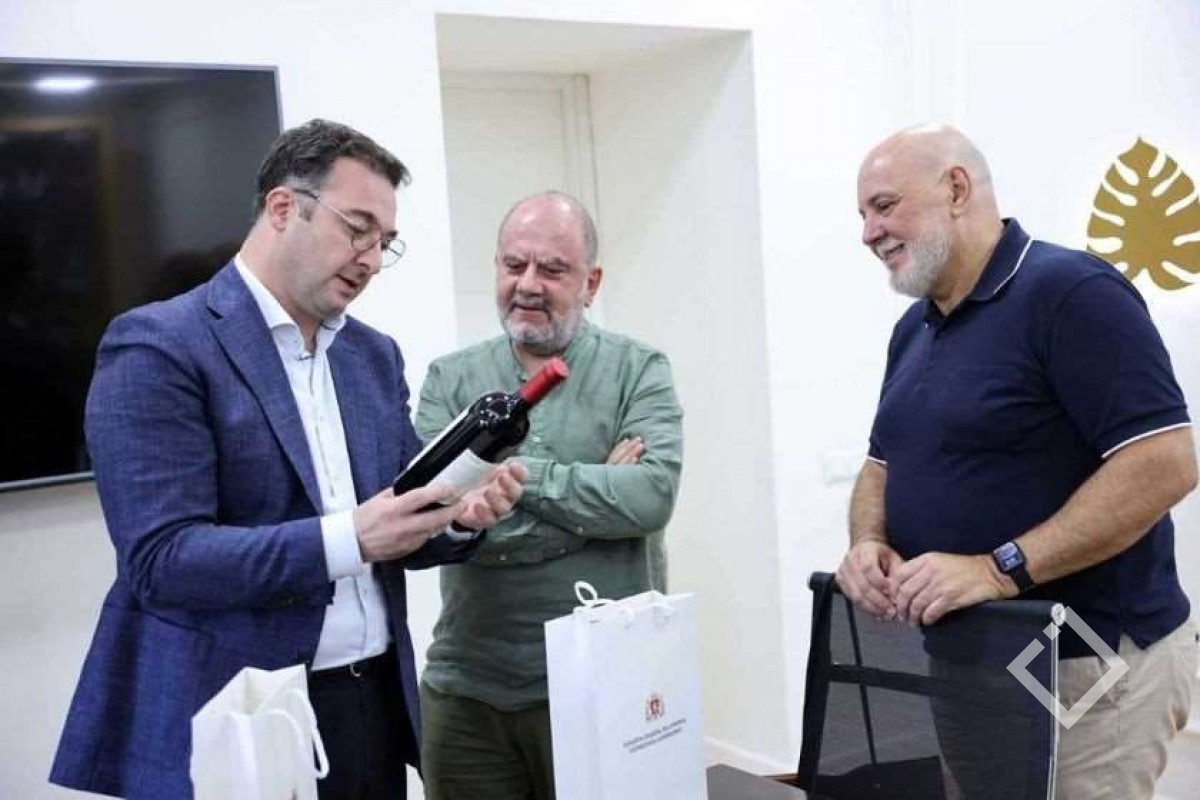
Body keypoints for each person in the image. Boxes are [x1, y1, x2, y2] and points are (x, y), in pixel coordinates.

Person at [49, 119, 526, 800]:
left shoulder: (371, 356)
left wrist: (456, 517)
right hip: (235, 712)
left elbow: (397, 523)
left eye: (385, 242)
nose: (370, 259)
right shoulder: (159, 345)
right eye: (357, 228)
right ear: (282, 208)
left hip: (370, 705)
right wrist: (350, 537)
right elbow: (162, 559)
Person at [837, 123, 1199, 799]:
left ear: (956, 189)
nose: (868, 233)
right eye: (862, 214)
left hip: (1084, 662)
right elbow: (882, 464)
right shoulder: (915, 329)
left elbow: (1165, 462)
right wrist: (868, 541)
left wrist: (997, 568)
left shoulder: (1072, 293)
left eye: (884, 206)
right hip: (969, 662)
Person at [414, 191, 684, 799]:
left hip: (608, 684)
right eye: (514, 265)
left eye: (553, 270)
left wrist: (514, 474)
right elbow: (430, 520)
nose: (528, 284)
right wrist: (596, 504)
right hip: (468, 694)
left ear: (591, 283)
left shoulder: (638, 370)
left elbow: (649, 498)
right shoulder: (449, 380)